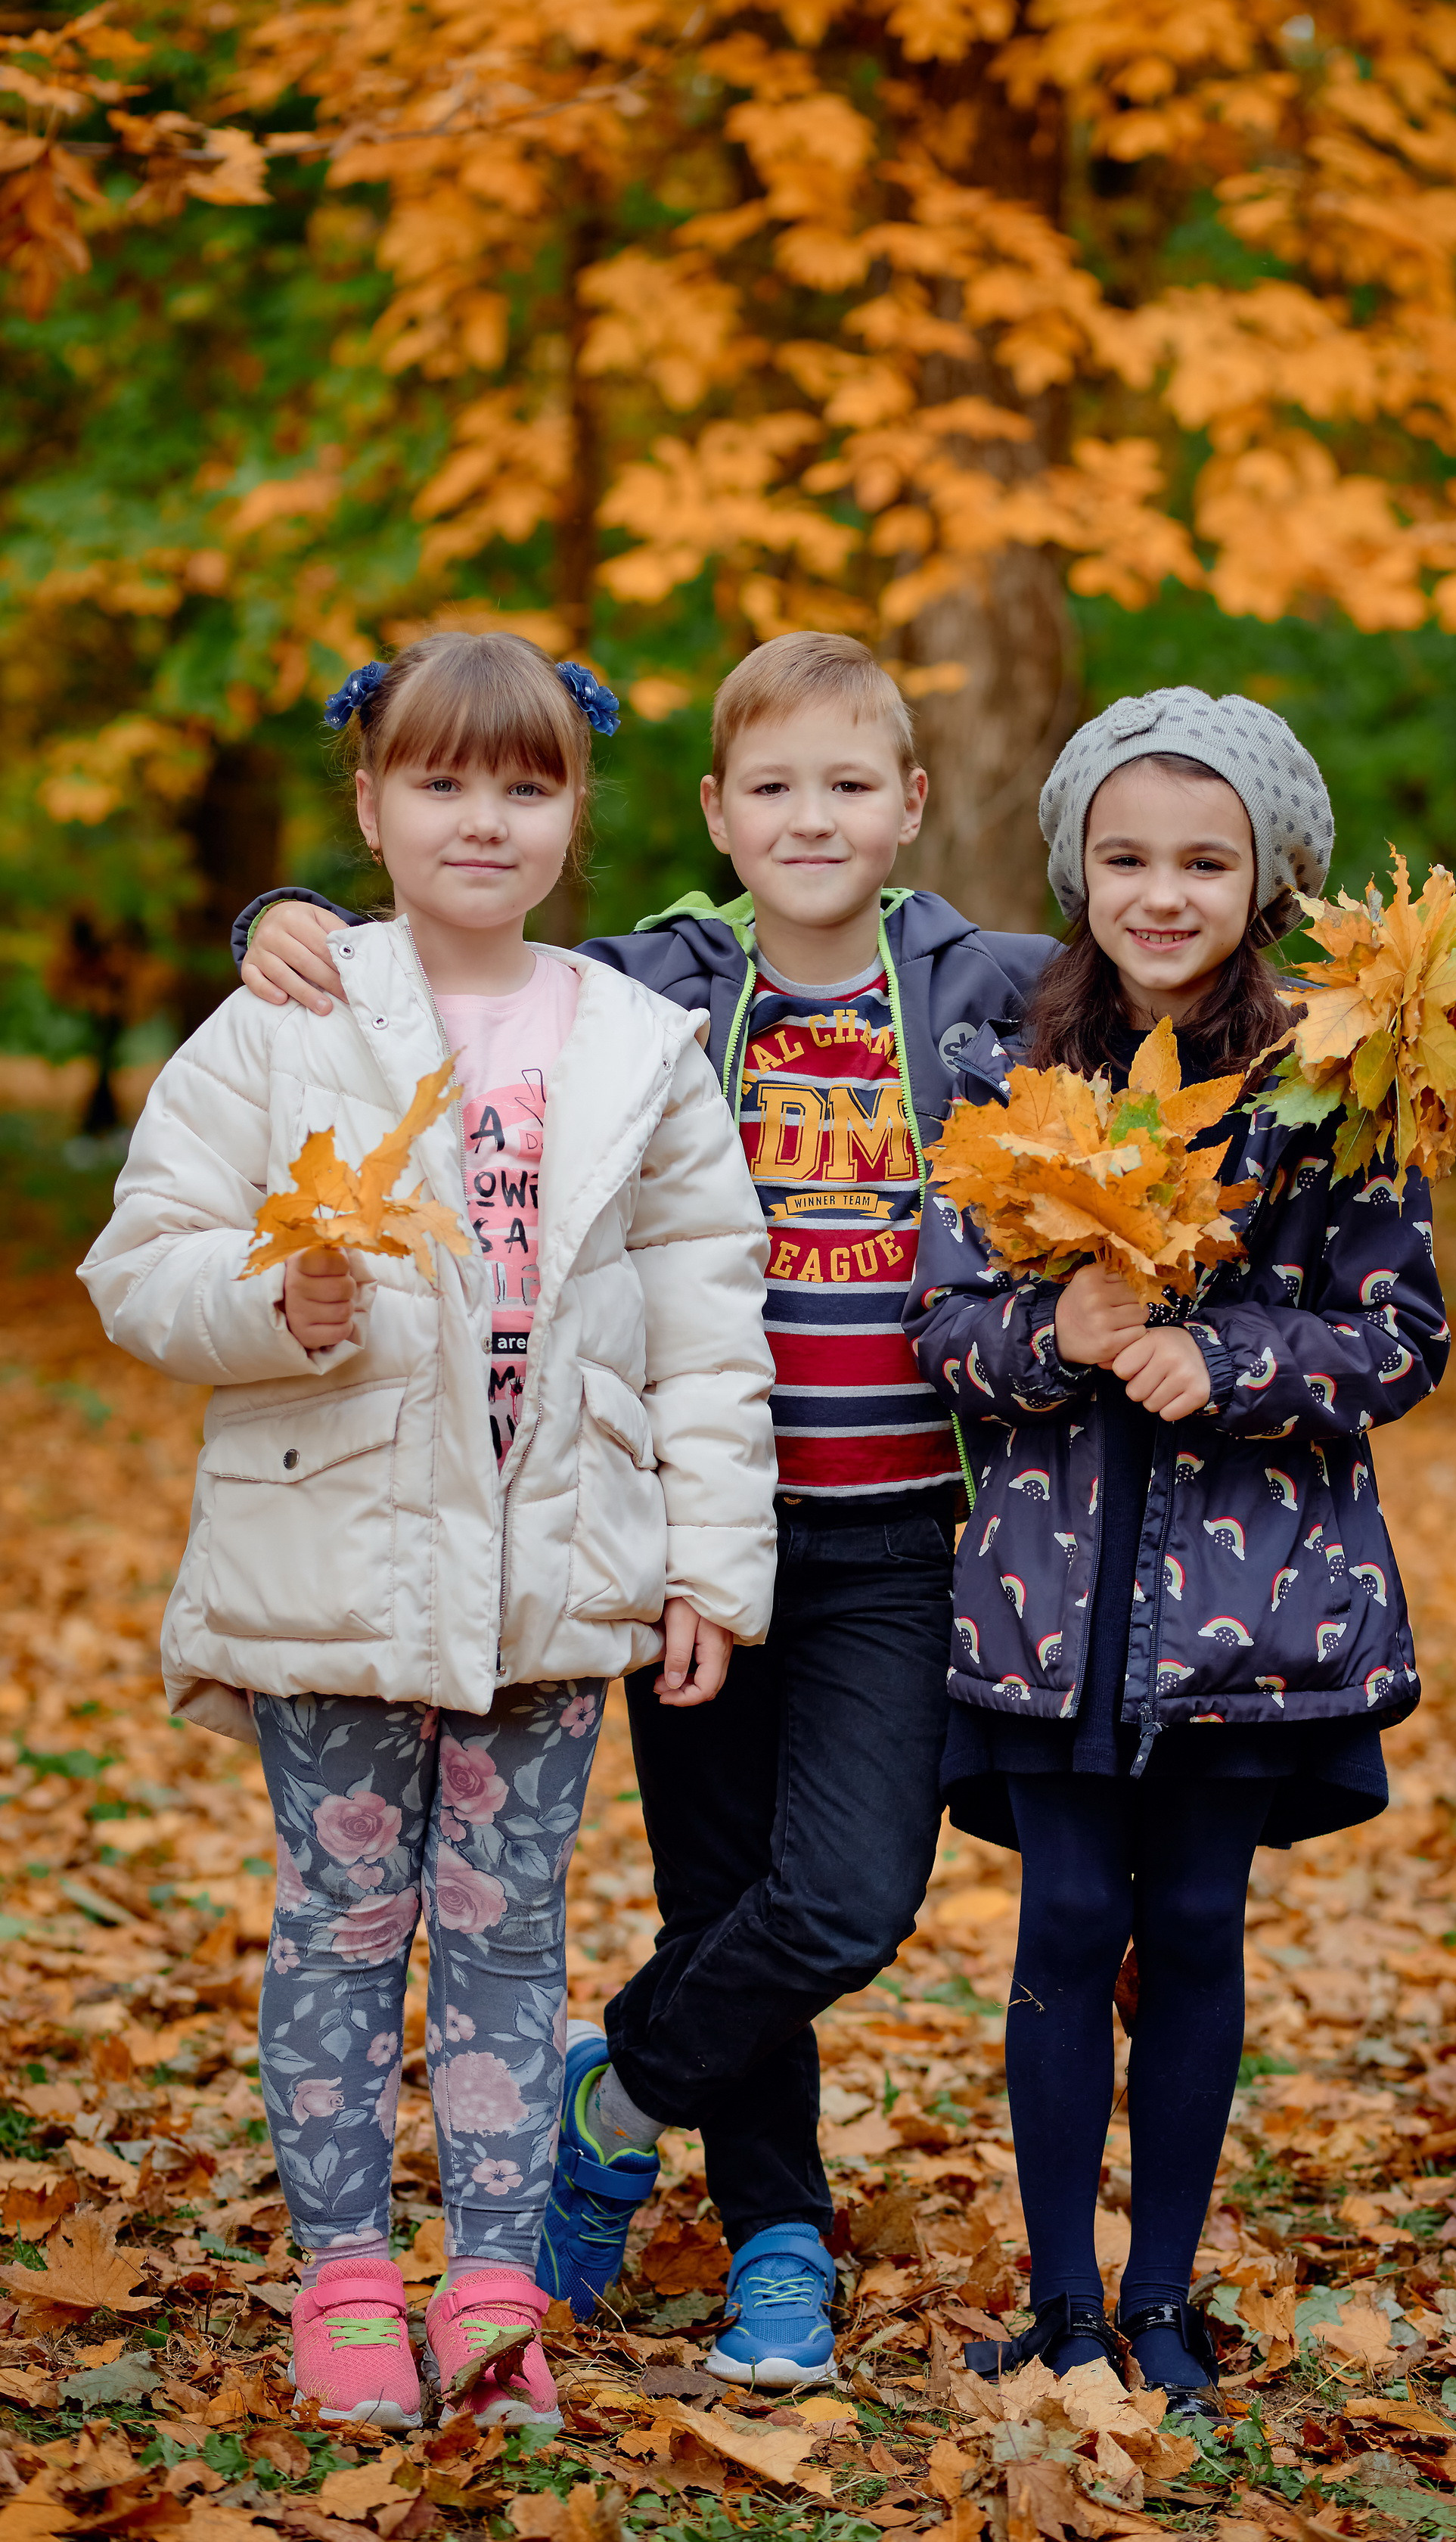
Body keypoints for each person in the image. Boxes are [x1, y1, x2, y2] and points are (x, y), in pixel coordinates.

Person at [229, 632, 1057, 2389]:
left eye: (851, 785)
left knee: (839, 1901)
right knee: (716, 1892)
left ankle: (620, 2086)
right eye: (774, 787)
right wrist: (276, 919)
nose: (812, 818)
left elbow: (1171, 982)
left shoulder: (989, 989)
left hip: (902, 1528)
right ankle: (776, 2248)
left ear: (912, 804)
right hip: (683, 1528)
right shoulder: (654, 983)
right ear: (712, 809)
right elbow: (455, 949)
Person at [79, 632, 778, 2434]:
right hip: (342, 1551)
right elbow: (143, 1260)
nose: (485, 820)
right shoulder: (290, 1013)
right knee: (338, 1921)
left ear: (575, 815)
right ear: (372, 806)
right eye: (443, 782)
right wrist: (273, 1304)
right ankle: (342, 2275)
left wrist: (712, 1557)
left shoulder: (640, 1042)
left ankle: (491, 2282)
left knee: (504, 1929)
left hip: (549, 1571)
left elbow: (710, 1320)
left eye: (527, 786)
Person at [904, 687, 1448, 2413]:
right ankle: (1058, 2297)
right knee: (1065, 1916)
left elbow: (1399, 1336)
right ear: (1077, 867)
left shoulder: (1334, 1081)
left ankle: (1159, 2299)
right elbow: (943, 1325)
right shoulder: (1011, 1060)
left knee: (1195, 1918)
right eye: (1125, 857)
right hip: (1048, 1588)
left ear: (1265, 874)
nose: (1161, 891)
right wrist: (1052, 1334)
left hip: (1254, 1599)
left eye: (1203, 859)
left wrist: (1228, 1359)